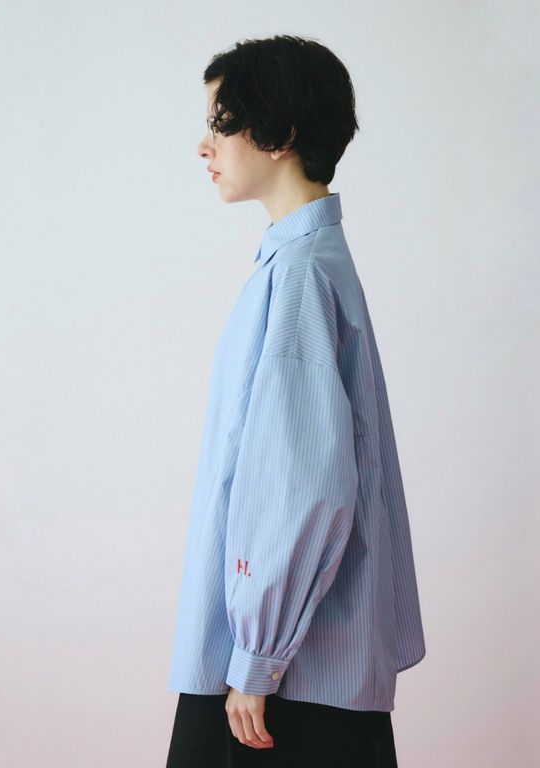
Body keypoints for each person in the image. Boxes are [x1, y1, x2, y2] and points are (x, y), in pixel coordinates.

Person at [165, 34, 426, 768]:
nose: (204, 146)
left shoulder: (301, 276)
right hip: (300, 661)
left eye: (221, 124)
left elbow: (302, 488)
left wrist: (258, 655)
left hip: (284, 677)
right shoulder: (307, 263)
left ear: (279, 136)